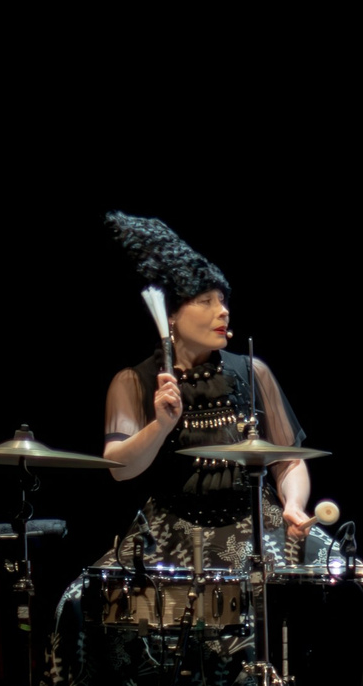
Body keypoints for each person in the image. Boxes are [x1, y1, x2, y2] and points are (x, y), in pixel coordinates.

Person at [98, 213, 312, 567]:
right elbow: (119, 468)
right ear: (171, 315)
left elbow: (288, 461)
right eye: (206, 301)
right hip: (175, 532)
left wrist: (293, 504)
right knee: (84, 598)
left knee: (335, 575)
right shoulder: (133, 381)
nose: (223, 311)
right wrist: (160, 425)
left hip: (257, 525)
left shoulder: (252, 371)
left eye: (224, 301)